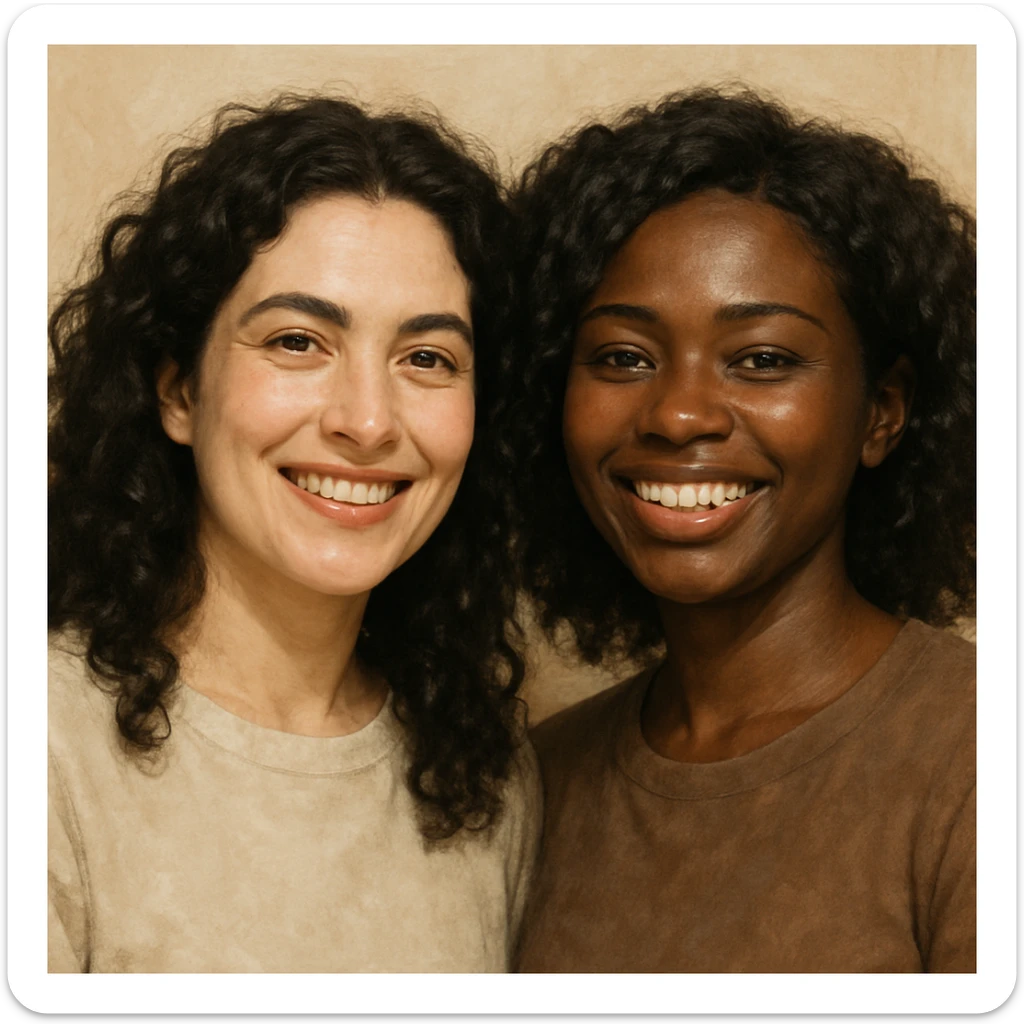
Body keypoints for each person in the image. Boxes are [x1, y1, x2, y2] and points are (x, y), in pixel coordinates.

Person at [47, 94, 540, 973]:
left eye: (427, 358)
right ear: (179, 394)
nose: (367, 421)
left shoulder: (489, 783)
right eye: (298, 342)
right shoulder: (42, 747)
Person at [506, 88, 976, 973]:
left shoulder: (976, 753)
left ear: (883, 413)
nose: (679, 414)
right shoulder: (532, 787)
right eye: (622, 358)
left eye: (762, 359)